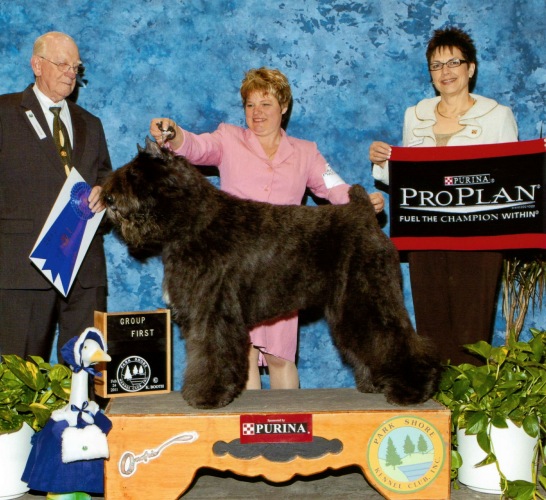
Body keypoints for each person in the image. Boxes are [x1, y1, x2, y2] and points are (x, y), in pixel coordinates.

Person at [150, 67, 385, 390]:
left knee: (281, 357)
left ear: (283, 106)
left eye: (265, 104)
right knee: (241, 352)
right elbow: (195, 146)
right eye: (250, 105)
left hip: (283, 266)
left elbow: (333, 186)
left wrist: (362, 202)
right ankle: (248, 422)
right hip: (236, 267)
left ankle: (289, 421)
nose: (256, 112)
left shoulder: (306, 152)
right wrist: (174, 133)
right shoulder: (228, 138)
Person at [369, 27, 519, 365]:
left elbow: (510, 179)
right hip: (426, 233)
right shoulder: (415, 115)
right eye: (436, 65)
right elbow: (410, 178)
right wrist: (382, 162)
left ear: (471, 68)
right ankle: (437, 393)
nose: (445, 72)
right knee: (431, 324)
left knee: (471, 331)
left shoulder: (498, 116)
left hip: (479, 237)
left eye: (453, 63)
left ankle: (471, 395)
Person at [0, 32, 112, 360]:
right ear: (37, 65)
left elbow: (105, 178)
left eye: (76, 67)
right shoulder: (4, 112)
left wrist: (105, 194)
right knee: (18, 374)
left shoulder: (91, 124)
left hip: (85, 268)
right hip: (22, 267)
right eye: (62, 64)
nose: (70, 73)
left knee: (85, 369)